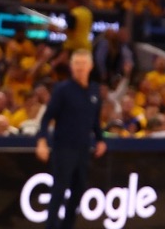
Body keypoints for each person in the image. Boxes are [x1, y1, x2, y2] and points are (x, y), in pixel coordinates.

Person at [36, 49, 106, 229]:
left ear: (90, 66)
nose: (80, 67)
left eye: (83, 64)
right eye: (76, 64)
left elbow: (95, 120)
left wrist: (100, 139)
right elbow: (47, 117)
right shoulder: (62, 89)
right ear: (71, 66)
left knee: (79, 191)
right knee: (59, 190)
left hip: (83, 149)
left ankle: (67, 226)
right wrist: (42, 140)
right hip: (63, 147)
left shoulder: (95, 90)